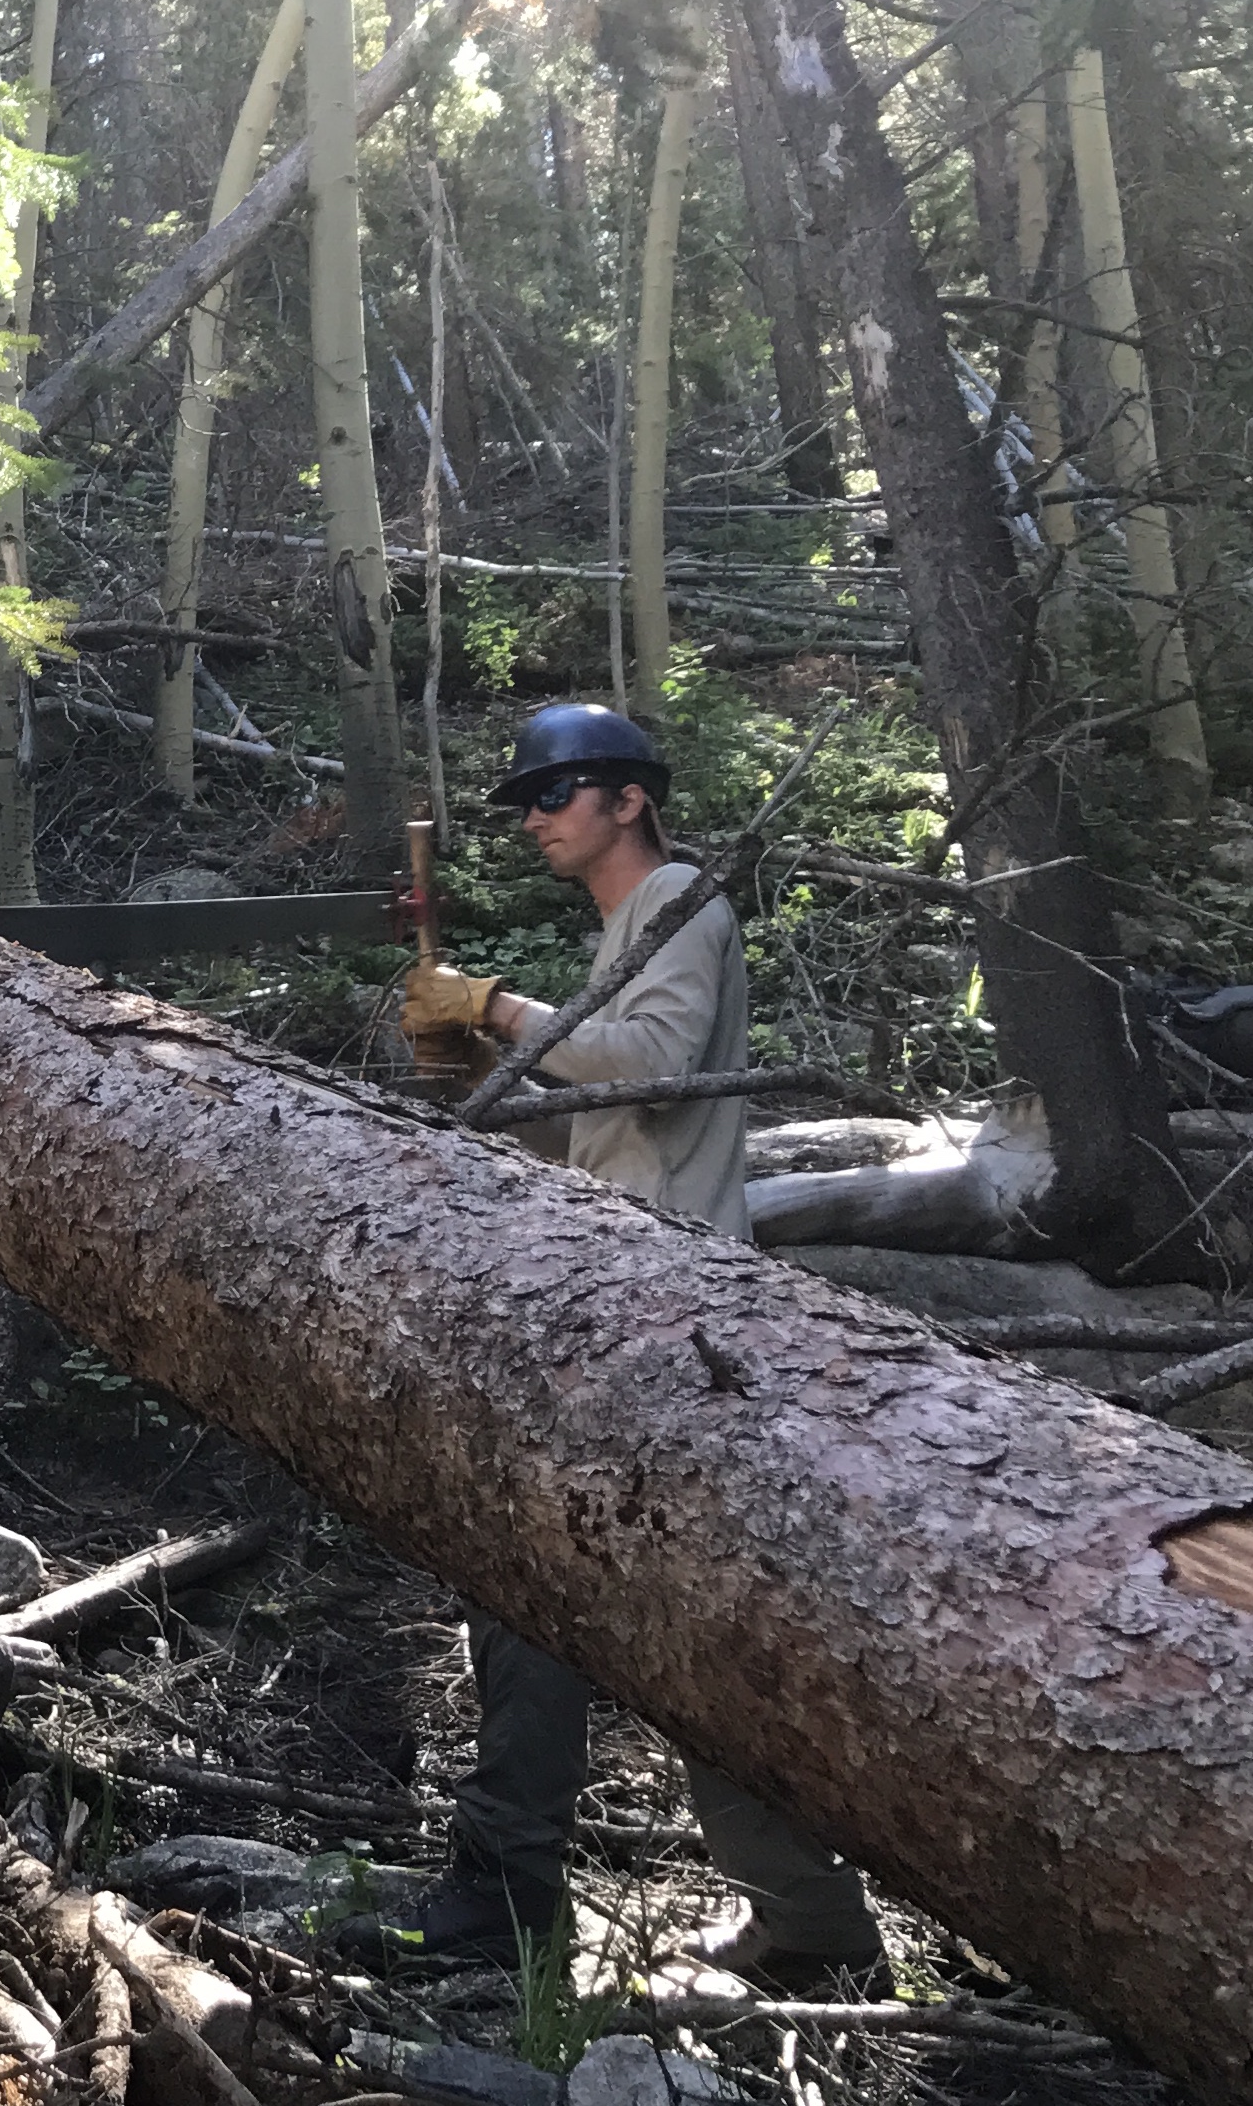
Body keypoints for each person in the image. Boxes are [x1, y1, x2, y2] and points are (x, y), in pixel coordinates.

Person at [379, 703, 887, 1987]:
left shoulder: (675, 903)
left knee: (538, 1599)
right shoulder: (629, 925)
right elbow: (608, 1126)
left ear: (625, 799)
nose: (538, 820)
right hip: (634, 1302)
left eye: (556, 795)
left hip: (663, 1316)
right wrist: (479, 1105)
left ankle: (510, 1899)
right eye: (531, 801)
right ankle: (808, 1921)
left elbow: (655, 1070)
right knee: (676, 1628)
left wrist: (492, 1007)